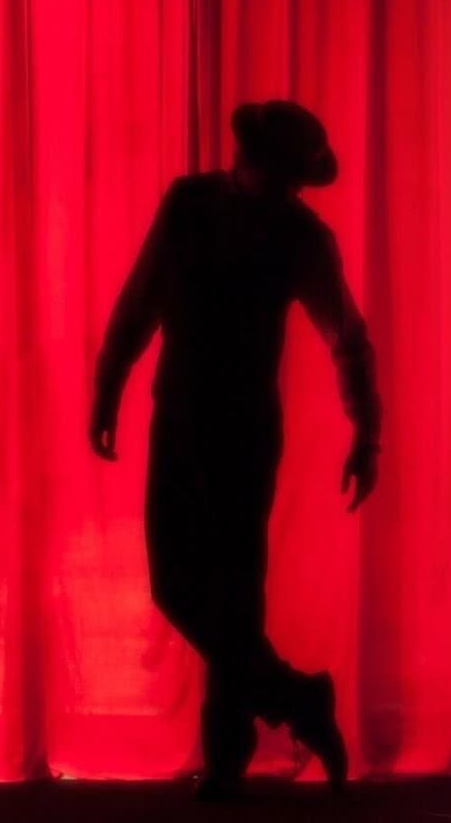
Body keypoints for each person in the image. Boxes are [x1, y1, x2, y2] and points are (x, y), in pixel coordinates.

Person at [89, 101, 380, 801]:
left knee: (228, 595)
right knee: (191, 589)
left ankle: (228, 761)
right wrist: (108, 384)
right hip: (196, 418)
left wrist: (367, 430)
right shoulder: (200, 207)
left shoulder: (290, 231)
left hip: (235, 425)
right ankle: (297, 700)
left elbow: (347, 337)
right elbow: (141, 302)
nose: (285, 184)